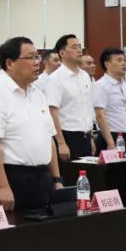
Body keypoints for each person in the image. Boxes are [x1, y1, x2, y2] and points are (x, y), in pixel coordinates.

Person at [0, 36, 62, 212]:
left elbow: (49, 139)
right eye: (31, 57)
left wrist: (56, 180)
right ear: (10, 63)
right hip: (12, 179)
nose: (37, 62)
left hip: (42, 178)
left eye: (37, 57)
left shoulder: (37, 94)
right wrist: (2, 187)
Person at [45, 34, 95, 162]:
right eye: (74, 47)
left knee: (89, 173)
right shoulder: (55, 79)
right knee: (72, 173)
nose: (79, 50)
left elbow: (87, 109)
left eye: (79, 46)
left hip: (86, 136)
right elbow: (52, 112)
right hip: (68, 136)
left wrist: (90, 139)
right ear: (62, 53)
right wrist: (61, 143)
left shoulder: (85, 76)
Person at [93, 48, 126, 153]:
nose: (124, 63)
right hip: (112, 136)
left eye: (125, 60)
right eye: (119, 60)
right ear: (107, 64)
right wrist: (110, 143)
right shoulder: (101, 85)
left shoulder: (125, 85)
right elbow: (100, 115)